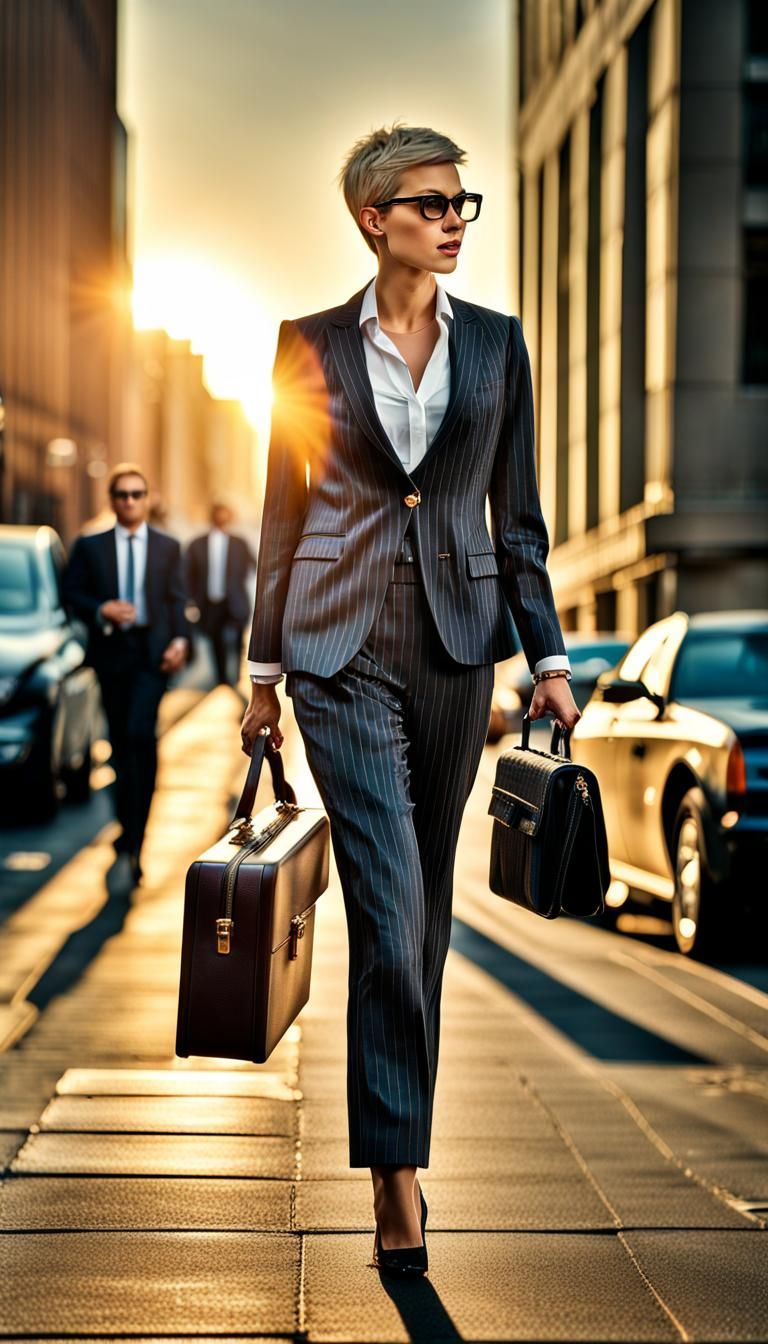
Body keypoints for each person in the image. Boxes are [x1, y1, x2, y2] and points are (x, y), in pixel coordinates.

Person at [240, 123, 581, 1277]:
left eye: (463, 203)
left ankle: (403, 1141)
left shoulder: (495, 347)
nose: (454, 220)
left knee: (424, 919)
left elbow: (517, 521)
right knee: (386, 907)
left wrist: (546, 659)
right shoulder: (308, 346)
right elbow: (282, 516)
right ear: (373, 218)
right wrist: (261, 673)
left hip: (454, 645)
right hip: (337, 650)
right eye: (433, 203)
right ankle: (397, 1180)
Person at [63, 463, 190, 886]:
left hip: (152, 656)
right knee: (119, 741)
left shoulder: (168, 547)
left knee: (140, 734)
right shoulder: (90, 546)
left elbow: (178, 600)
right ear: (112, 500)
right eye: (122, 495)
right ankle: (125, 822)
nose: (130, 501)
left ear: (147, 498)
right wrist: (102, 609)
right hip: (112, 654)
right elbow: (72, 594)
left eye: (137, 494)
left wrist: (181, 641)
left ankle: (137, 837)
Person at [184, 502, 257, 688]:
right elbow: (187, 574)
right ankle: (222, 680)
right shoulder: (197, 544)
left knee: (237, 640)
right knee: (215, 640)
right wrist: (191, 600)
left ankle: (238, 678)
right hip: (209, 603)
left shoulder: (239, 543)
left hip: (234, 602)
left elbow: (254, 566)